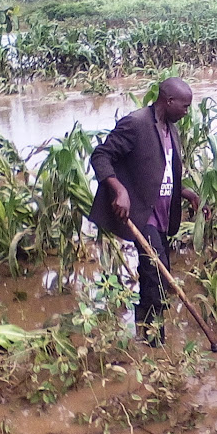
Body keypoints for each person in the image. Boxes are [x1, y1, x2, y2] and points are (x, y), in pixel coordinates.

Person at [89, 77, 200, 347]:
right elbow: (100, 156)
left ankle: (148, 334)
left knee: (158, 274)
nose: (187, 112)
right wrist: (119, 190)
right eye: (184, 106)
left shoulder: (171, 129)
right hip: (142, 213)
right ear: (168, 101)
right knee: (156, 275)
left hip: (163, 214)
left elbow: (159, 169)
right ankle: (154, 343)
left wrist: (184, 191)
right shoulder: (136, 123)